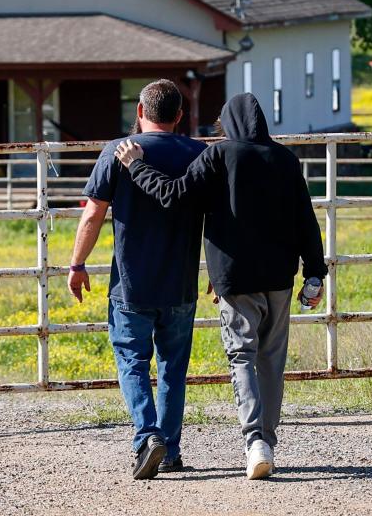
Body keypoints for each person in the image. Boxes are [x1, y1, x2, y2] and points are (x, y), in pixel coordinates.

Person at [113, 92, 327, 480]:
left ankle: (254, 442)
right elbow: (306, 221)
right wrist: (315, 273)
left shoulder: (219, 155)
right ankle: (267, 440)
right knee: (272, 362)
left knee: (241, 356)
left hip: (235, 278)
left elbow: (172, 195)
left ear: (228, 123)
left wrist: (136, 166)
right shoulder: (285, 159)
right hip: (279, 278)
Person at [68, 79, 206, 480]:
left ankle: (147, 436)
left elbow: (93, 214)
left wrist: (77, 265)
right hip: (180, 283)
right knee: (173, 368)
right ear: (180, 116)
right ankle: (171, 451)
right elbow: (219, 219)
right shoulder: (200, 154)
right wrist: (217, 270)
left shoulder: (118, 152)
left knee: (132, 361)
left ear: (141, 112)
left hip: (130, 283)